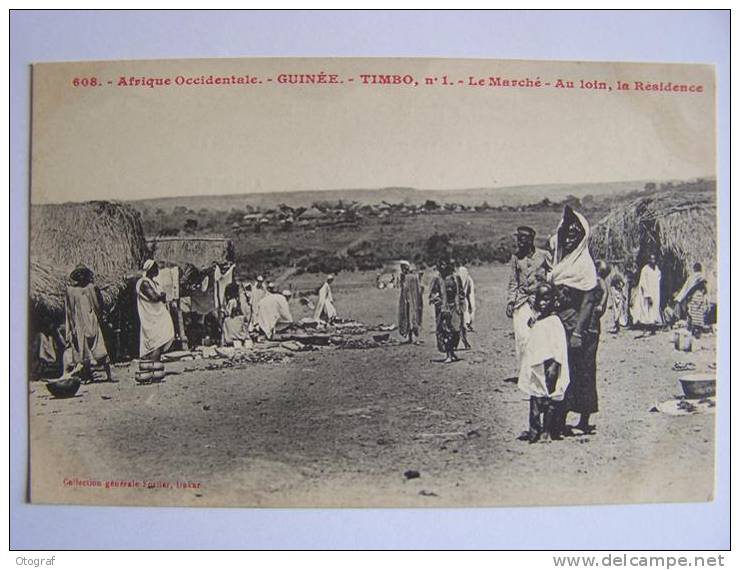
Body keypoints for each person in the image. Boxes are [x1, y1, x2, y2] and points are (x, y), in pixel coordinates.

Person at [549, 206, 600, 437]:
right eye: (566, 234)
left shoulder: (584, 265)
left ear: (581, 237)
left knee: (584, 370)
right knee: (563, 369)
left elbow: (589, 301)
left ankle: (584, 418)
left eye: (574, 235)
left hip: (583, 327)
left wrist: (578, 334)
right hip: (563, 323)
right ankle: (559, 418)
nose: (569, 238)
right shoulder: (562, 262)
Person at [517, 283, 571, 444]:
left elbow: (559, 347)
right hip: (536, 364)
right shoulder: (538, 320)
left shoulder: (554, 322)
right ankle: (534, 429)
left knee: (549, 399)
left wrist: (555, 365)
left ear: (553, 300)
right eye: (540, 299)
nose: (542, 303)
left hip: (550, 365)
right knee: (535, 397)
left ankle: (546, 431)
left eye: (546, 299)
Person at [506, 226, 550, 374]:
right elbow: (513, 282)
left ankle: (539, 371)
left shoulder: (544, 256)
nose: (519, 242)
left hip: (541, 303)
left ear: (531, 239)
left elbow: (552, 276)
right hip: (522, 301)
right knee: (523, 338)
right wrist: (511, 302)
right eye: (518, 239)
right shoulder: (516, 258)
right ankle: (526, 373)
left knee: (539, 336)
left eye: (522, 239)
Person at [64, 264, 113, 382]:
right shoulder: (71, 291)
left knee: (100, 347)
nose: (81, 276)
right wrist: (72, 327)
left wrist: (101, 318)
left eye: (83, 273)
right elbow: (70, 311)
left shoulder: (91, 288)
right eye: (78, 274)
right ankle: (87, 376)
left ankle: (109, 375)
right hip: (79, 322)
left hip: (92, 320)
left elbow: (99, 305)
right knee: (82, 349)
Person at [136, 259, 175, 361]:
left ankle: (154, 363)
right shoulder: (144, 283)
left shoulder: (153, 282)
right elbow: (154, 297)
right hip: (151, 317)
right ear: (150, 269)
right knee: (156, 341)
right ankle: (153, 364)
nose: (157, 270)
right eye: (155, 268)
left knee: (160, 339)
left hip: (157, 315)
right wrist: (161, 296)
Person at [428, 259, 465, 363]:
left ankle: (452, 352)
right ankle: (449, 354)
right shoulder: (437, 279)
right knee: (446, 331)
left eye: (445, 265)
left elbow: (461, 292)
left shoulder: (456, 278)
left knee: (456, 331)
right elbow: (432, 294)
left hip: (455, 307)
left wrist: (461, 303)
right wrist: (438, 302)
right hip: (443, 309)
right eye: (441, 265)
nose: (443, 267)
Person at [633, 253, 663, 334]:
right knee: (646, 311)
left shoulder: (657, 269)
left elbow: (658, 280)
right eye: (651, 259)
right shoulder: (645, 269)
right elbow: (643, 283)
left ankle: (652, 329)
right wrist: (648, 295)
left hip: (655, 293)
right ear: (649, 260)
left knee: (654, 311)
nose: (653, 261)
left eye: (654, 259)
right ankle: (646, 328)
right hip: (647, 293)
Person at [397, 260, 423, 344]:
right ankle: (410, 338)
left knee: (413, 318)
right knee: (406, 317)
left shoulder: (412, 277)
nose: (402, 269)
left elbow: (417, 289)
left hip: (412, 300)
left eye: (403, 268)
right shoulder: (404, 276)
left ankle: (415, 338)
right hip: (406, 300)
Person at [457, 261, 476, 333]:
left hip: (462, 297)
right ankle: (466, 323)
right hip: (463, 297)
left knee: (464, 309)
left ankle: (466, 323)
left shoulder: (462, 276)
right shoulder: (468, 278)